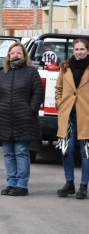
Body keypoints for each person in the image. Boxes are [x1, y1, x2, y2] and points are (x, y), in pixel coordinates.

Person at [0, 41, 44, 197]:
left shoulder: (31, 72)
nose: (15, 55)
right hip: (4, 119)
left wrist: (31, 109)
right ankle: (11, 182)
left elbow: (38, 93)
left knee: (21, 152)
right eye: (13, 53)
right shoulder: (3, 73)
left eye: (19, 53)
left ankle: (21, 185)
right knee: (8, 153)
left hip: (24, 119)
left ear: (24, 55)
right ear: (8, 55)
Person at [55, 38, 89, 199]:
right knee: (66, 150)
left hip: (86, 115)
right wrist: (59, 103)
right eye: (76, 49)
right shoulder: (65, 67)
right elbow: (59, 88)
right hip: (68, 115)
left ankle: (84, 186)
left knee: (86, 152)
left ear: (87, 51)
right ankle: (69, 183)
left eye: (82, 49)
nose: (79, 52)